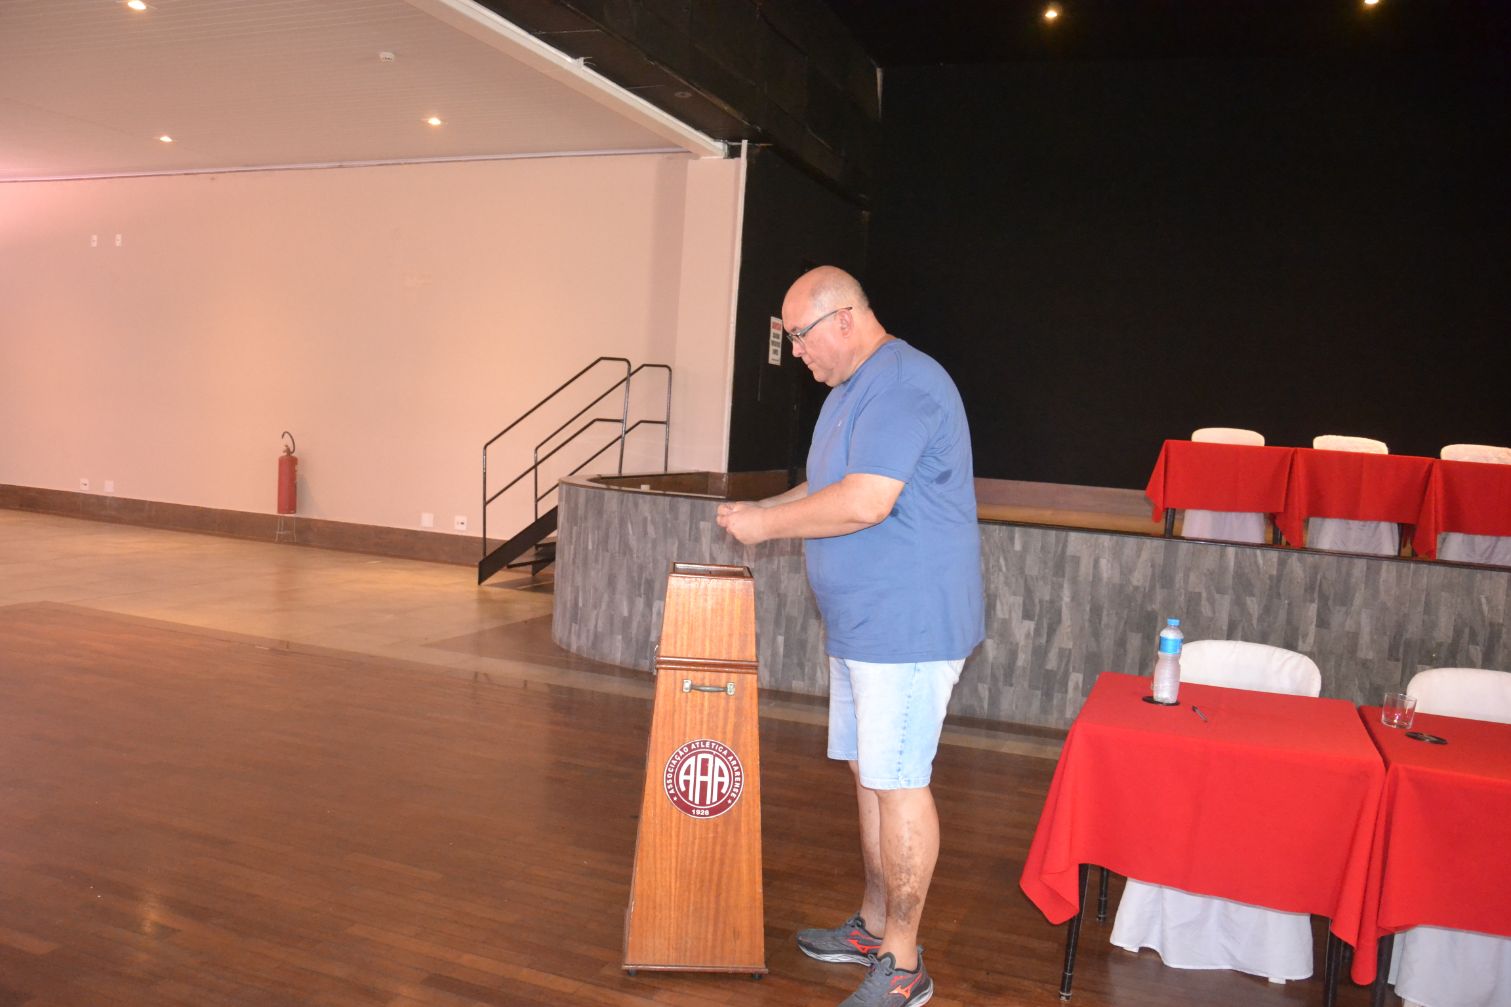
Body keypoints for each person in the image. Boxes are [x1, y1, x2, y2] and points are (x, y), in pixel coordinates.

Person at [716, 266, 983, 1007]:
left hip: (908, 624)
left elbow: (865, 501)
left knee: (898, 782)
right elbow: (829, 481)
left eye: (800, 337)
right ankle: (872, 926)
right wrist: (763, 508)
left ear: (842, 320)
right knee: (871, 775)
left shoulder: (902, 384)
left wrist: (766, 527)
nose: (795, 352)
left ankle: (904, 962)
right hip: (864, 626)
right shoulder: (845, 392)